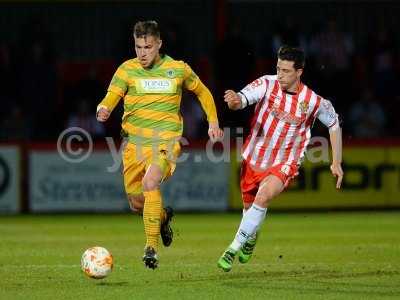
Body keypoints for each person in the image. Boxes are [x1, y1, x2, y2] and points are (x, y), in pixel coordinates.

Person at [96, 20, 223, 269]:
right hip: (133, 144)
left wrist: (213, 121)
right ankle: (162, 217)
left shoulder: (178, 69)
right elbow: (112, 95)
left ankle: (150, 247)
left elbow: (203, 92)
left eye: (148, 47)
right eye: (138, 47)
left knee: (150, 182)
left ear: (159, 44)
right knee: (136, 204)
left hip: (165, 140)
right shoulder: (126, 70)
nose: (142, 53)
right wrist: (104, 107)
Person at [218, 46, 344, 272]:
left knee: (264, 196)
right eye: (278, 68)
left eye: (286, 71)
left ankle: (233, 247)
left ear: (299, 72)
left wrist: (336, 161)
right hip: (254, 156)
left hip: (286, 160)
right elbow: (243, 99)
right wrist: (234, 100)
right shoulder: (266, 83)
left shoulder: (313, 101)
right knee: (249, 208)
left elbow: (334, 124)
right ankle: (251, 237)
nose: (281, 75)